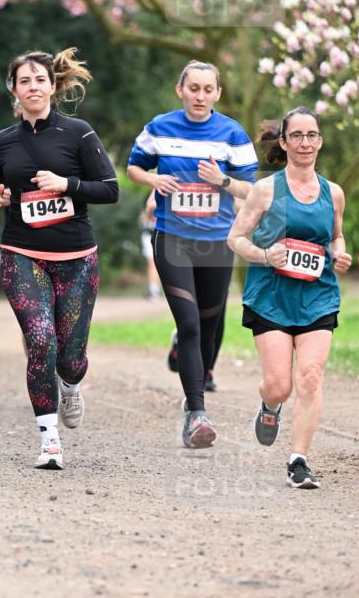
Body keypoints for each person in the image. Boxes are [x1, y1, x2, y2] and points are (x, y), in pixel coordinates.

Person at [0, 48, 119, 471]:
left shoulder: (78, 134)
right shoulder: (1, 142)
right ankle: (49, 439)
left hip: (77, 257)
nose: (33, 87)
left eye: (40, 79)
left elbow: (110, 188)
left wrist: (67, 184)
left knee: (70, 357)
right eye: (25, 81)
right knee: (40, 340)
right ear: (14, 91)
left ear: (53, 86)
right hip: (22, 253)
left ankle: (71, 385)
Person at [127, 60, 258, 448]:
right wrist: (153, 179)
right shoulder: (160, 127)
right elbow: (134, 167)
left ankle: (195, 382)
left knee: (208, 324)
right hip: (172, 239)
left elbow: (252, 192)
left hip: (216, 243)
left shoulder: (232, 133)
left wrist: (222, 181)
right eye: (193, 88)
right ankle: (196, 413)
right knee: (188, 322)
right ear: (180, 89)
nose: (200, 96)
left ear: (217, 93)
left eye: (207, 89)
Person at [228, 107, 351, 489]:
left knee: (310, 378)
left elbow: (335, 235)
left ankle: (298, 459)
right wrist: (265, 255)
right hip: (271, 296)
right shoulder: (266, 190)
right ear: (283, 142)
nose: (305, 142)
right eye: (296, 135)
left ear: (320, 141)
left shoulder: (334, 193)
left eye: (311, 135)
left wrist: (338, 253)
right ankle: (270, 405)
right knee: (279, 384)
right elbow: (236, 238)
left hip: (317, 295)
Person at [140, 190, 161, 299]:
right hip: (149, 235)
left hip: (163, 235)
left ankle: (155, 290)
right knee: (152, 263)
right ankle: (154, 290)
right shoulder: (149, 196)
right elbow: (143, 219)